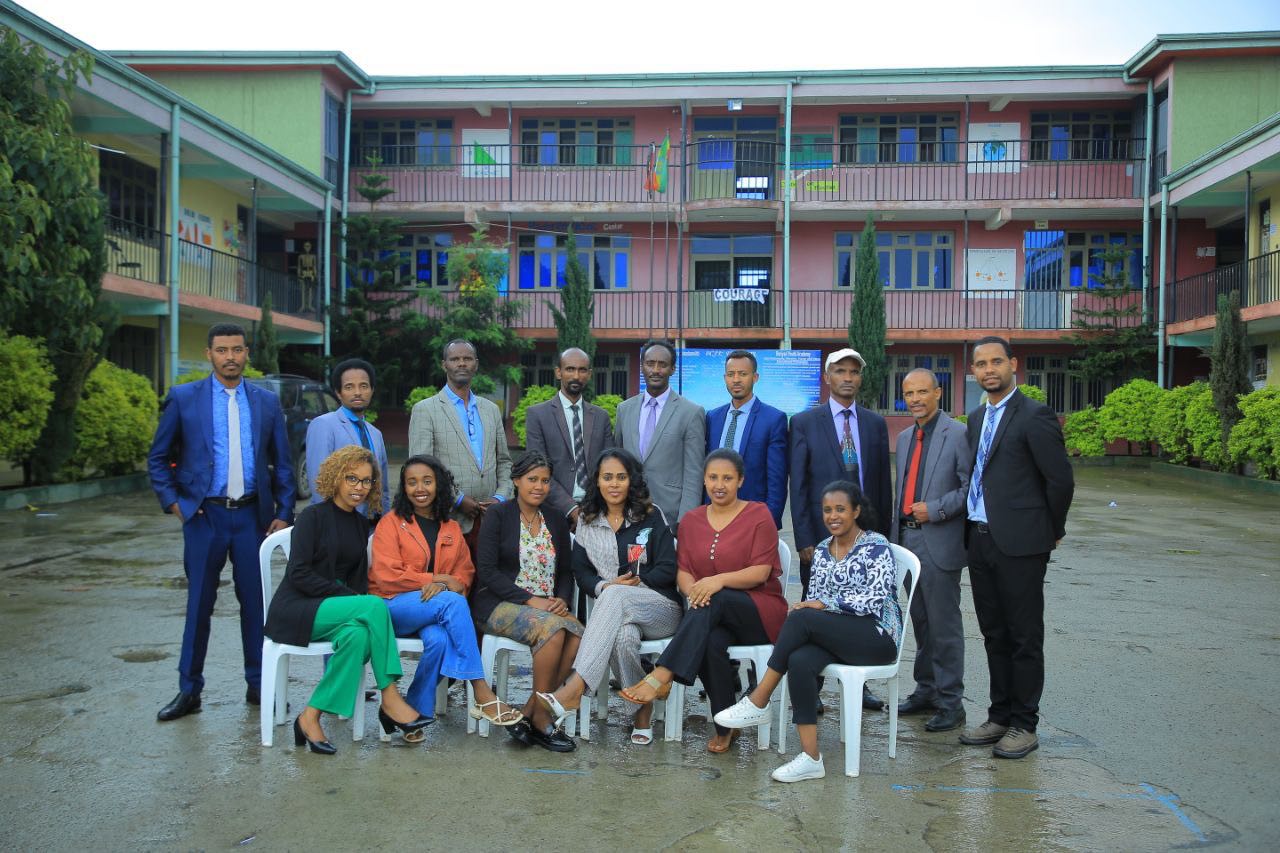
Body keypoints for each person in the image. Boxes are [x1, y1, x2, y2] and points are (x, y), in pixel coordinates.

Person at [147, 322, 295, 722]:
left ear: (247, 353)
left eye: (237, 349)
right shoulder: (184, 398)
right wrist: (175, 504)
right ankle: (189, 689)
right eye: (222, 350)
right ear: (209, 354)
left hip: (251, 518)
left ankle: (259, 685)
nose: (230, 357)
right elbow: (158, 458)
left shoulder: (266, 402)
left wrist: (284, 512)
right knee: (199, 605)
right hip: (204, 517)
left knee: (256, 605)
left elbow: (282, 462)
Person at [713, 480, 902, 782]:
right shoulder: (824, 550)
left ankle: (760, 698)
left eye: (840, 509)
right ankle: (811, 757)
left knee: (802, 619)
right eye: (827, 510)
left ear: (856, 511)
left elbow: (873, 599)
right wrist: (813, 607)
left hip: (876, 636)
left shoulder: (875, 545)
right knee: (800, 660)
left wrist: (823, 605)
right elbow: (814, 597)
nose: (833, 516)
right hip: (840, 634)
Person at [263, 446, 431, 754]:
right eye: (352, 478)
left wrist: (353, 601)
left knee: (357, 636)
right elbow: (298, 574)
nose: (359, 487)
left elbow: (357, 582)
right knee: (373, 605)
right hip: (297, 609)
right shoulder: (312, 516)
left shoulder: (359, 524)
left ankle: (309, 717)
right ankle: (390, 697)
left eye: (366, 481)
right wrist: (350, 598)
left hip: (336, 611)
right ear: (336, 477)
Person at [620, 449, 786, 754]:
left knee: (715, 598)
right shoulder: (692, 520)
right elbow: (683, 572)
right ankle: (725, 725)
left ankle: (663, 673)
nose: (719, 485)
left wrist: (716, 582)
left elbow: (761, 572)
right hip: (709, 612)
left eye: (727, 478)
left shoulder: (759, 514)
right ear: (704, 481)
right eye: (713, 477)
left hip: (758, 611)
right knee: (710, 639)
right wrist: (695, 591)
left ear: (740, 481)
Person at [959, 336, 1074, 760]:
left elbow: (1060, 481)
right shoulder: (976, 418)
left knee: (1024, 636)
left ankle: (1025, 723)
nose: (988, 370)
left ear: (1013, 364)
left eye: (996, 362)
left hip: (1022, 544)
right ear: (973, 371)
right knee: (994, 633)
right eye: (981, 364)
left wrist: (1051, 530)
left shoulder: (1034, 415)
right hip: (979, 538)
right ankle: (999, 715)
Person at [532, 448, 681, 746]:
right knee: (623, 637)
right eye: (607, 477)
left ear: (631, 481)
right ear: (597, 481)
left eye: (621, 477)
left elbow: (668, 568)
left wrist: (636, 581)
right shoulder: (588, 521)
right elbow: (581, 572)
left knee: (615, 595)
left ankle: (575, 687)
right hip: (615, 614)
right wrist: (604, 586)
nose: (614, 484)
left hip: (660, 609)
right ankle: (641, 712)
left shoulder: (651, 515)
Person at [369, 455, 523, 728]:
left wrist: (444, 585)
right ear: (404, 487)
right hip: (390, 606)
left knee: (439, 641)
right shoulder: (391, 523)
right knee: (451, 602)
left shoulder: (450, 527)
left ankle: (414, 714)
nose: (420, 488)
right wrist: (436, 579)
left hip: (431, 608)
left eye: (427, 481)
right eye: (412, 482)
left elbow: (464, 574)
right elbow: (386, 576)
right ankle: (481, 689)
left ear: (438, 485)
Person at [788, 347, 891, 711]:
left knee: (861, 612)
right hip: (820, 536)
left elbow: (882, 484)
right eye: (840, 371)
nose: (848, 378)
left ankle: (859, 684)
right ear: (827, 378)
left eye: (854, 372)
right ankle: (811, 687)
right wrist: (804, 538)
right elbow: (799, 484)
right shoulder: (805, 422)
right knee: (815, 610)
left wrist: (885, 538)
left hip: (864, 538)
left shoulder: (874, 423)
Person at [472, 451, 584, 752]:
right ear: (516, 481)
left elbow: (565, 571)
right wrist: (530, 600)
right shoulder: (498, 515)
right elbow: (487, 571)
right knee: (553, 629)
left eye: (545, 481)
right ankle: (542, 720)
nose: (539, 486)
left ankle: (532, 711)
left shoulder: (556, 519)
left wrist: (562, 599)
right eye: (532, 479)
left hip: (548, 606)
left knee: (577, 633)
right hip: (499, 604)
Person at [892, 368, 972, 734]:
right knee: (921, 622)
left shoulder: (957, 434)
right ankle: (926, 690)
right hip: (907, 541)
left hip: (938, 540)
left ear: (938, 393)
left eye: (923, 392)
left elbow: (970, 488)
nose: (916, 399)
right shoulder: (905, 437)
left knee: (944, 626)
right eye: (909, 394)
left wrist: (936, 509)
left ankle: (951, 702)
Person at [408, 340, 513, 560]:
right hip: (448, 520)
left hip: (490, 520)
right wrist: (457, 499)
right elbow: (420, 470)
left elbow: (504, 461)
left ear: (476, 364)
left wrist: (500, 497)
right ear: (444, 364)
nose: (461, 363)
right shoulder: (425, 410)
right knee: (454, 578)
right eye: (455, 359)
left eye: (467, 359)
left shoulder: (491, 410)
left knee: (487, 579)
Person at [616, 341, 705, 534]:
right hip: (628, 512)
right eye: (650, 363)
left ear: (672, 369)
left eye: (662, 364)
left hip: (670, 516)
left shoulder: (691, 412)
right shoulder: (624, 410)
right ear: (642, 366)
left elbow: (694, 473)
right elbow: (617, 463)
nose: (655, 370)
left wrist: (685, 521)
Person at [524, 347, 615, 527]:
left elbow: (609, 467)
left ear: (589, 374)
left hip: (596, 512)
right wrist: (571, 509)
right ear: (558, 372)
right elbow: (538, 469)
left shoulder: (601, 417)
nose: (576, 376)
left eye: (582, 370)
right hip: (552, 512)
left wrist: (592, 508)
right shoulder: (537, 415)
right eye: (570, 369)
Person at [705, 350, 788, 529]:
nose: (736, 380)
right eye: (731, 374)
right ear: (725, 378)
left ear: (755, 377)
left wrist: (769, 522)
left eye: (743, 374)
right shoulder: (713, 417)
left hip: (753, 517)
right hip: (714, 515)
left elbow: (777, 480)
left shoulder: (773, 419)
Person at [305, 357, 391, 514]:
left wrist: (385, 519)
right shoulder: (324, 425)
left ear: (372, 390)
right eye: (349, 387)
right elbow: (318, 482)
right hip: (337, 520)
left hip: (372, 522)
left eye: (363, 386)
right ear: (338, 393)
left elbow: (383, 487)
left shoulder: (375, 434)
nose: (357, 392)